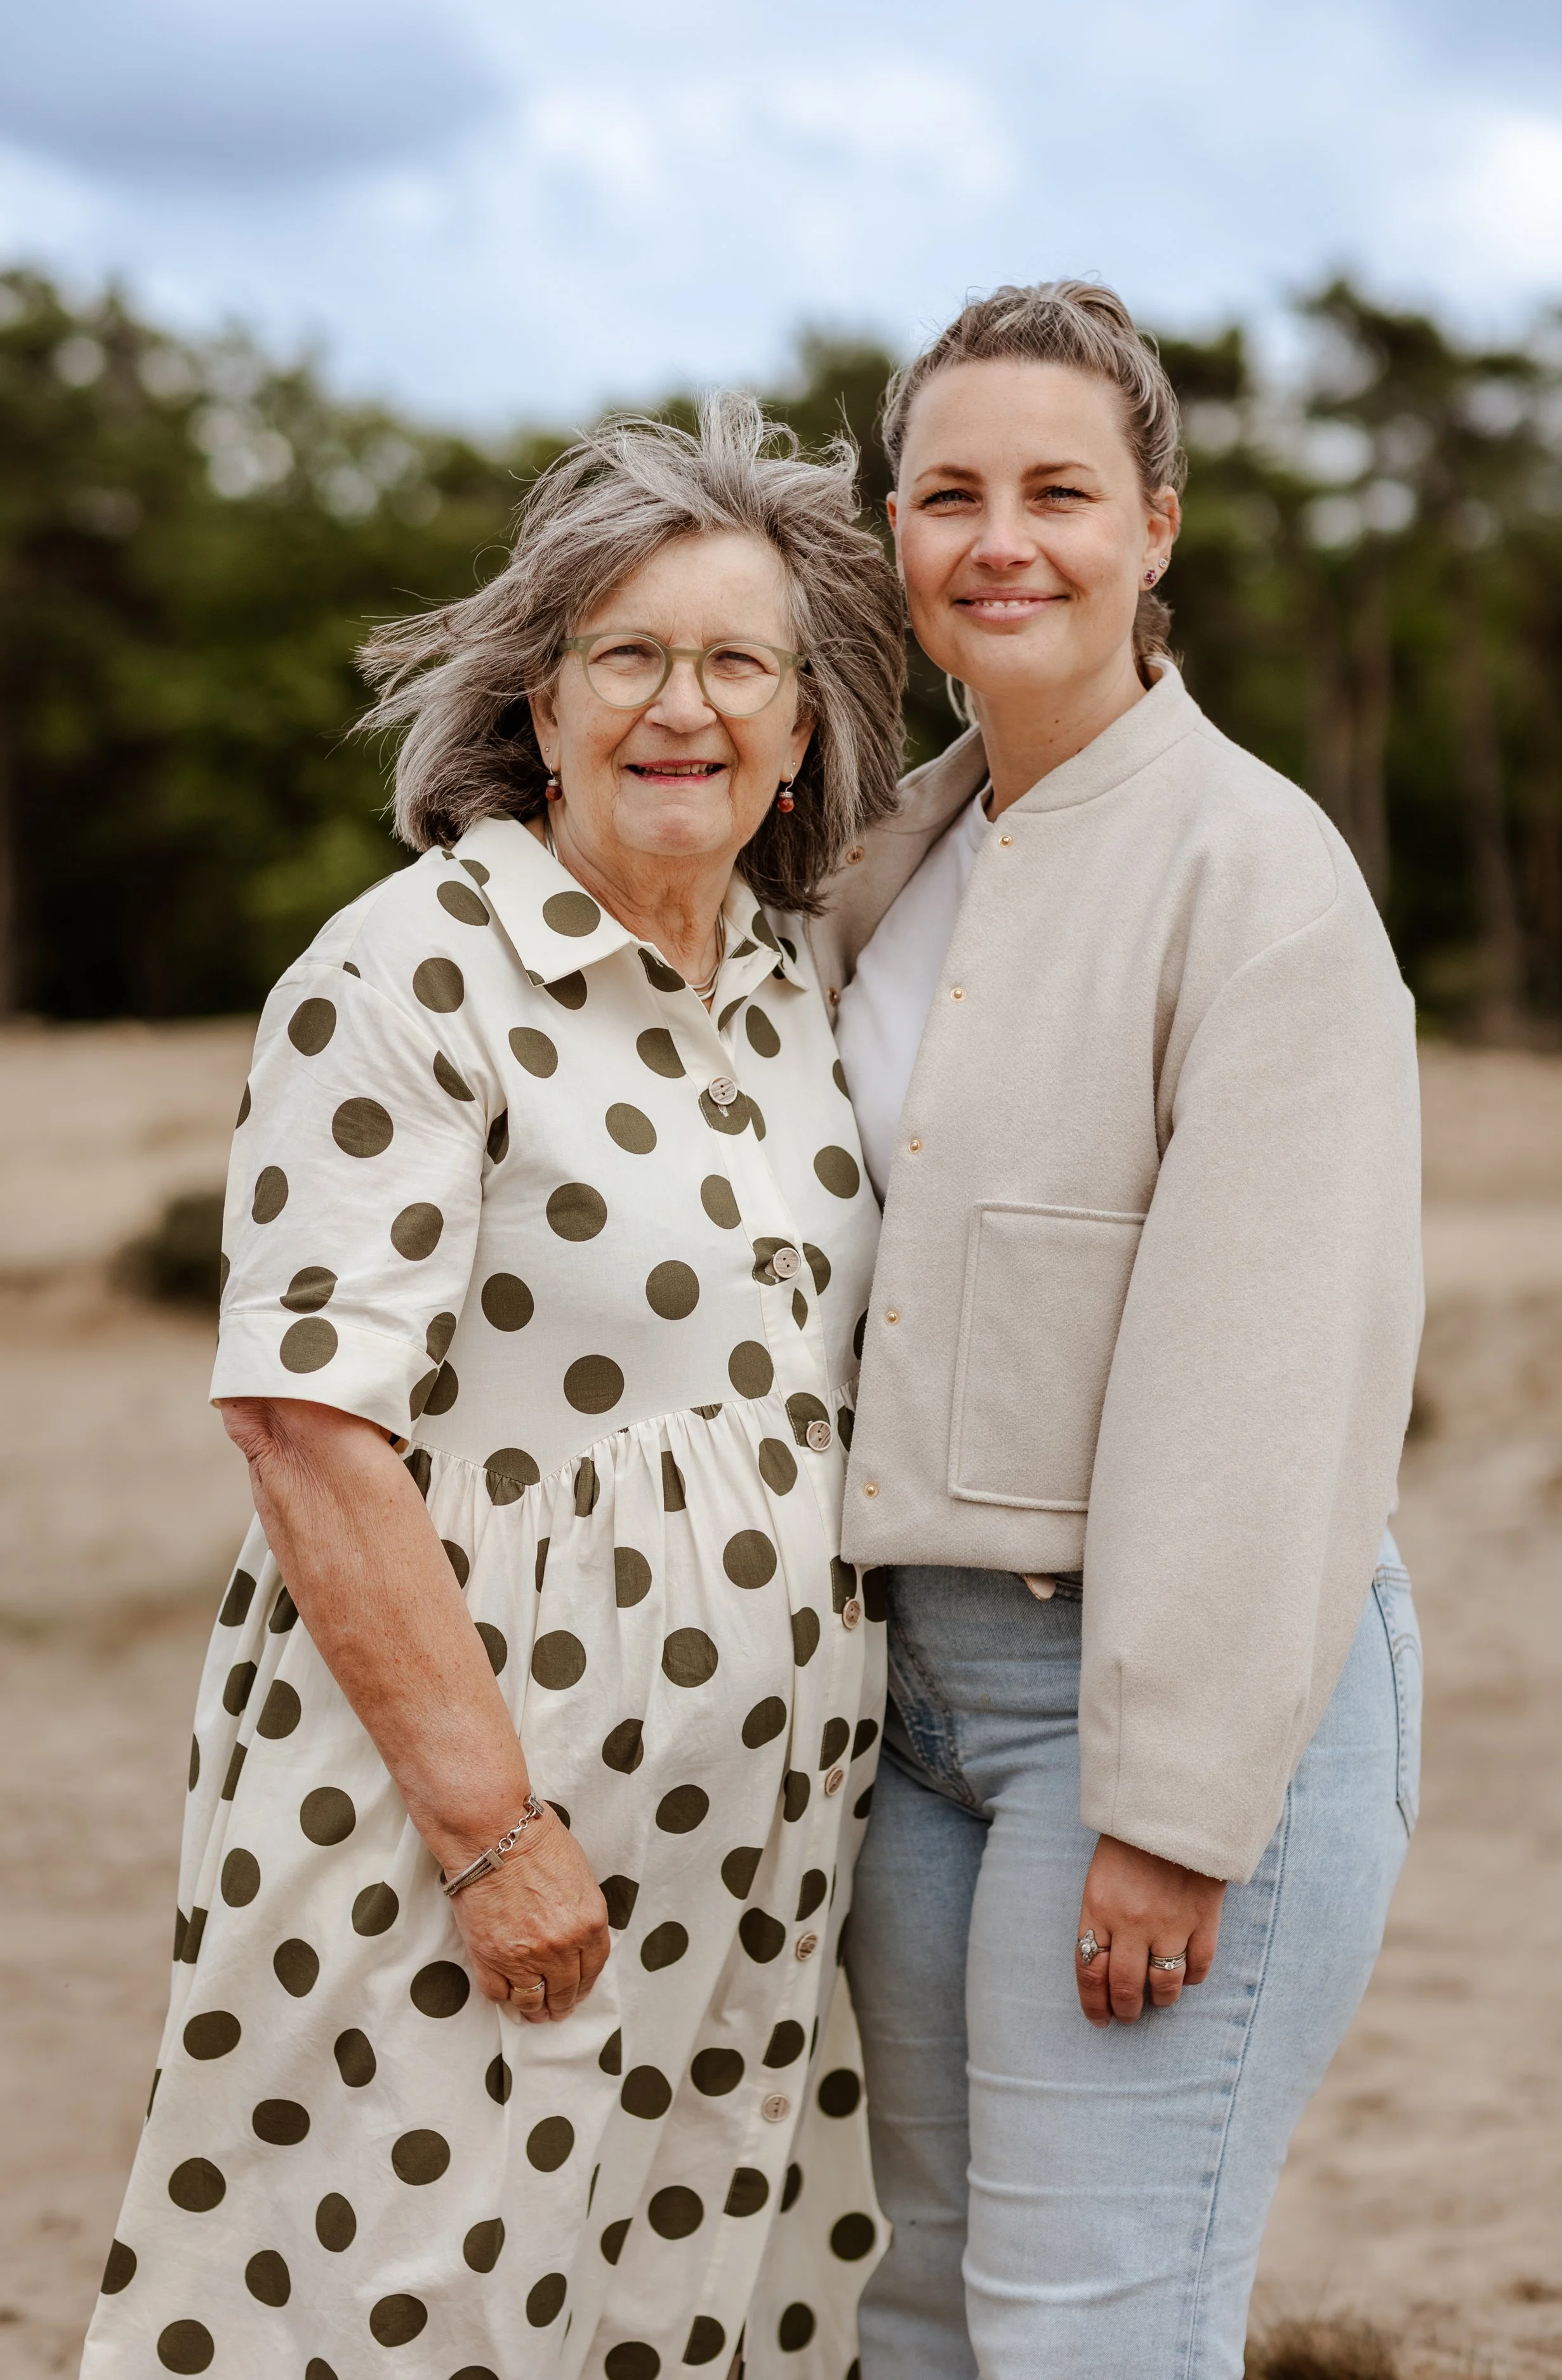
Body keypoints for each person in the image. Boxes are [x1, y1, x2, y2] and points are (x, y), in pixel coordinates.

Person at [81, 397, 906, 2380]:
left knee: (663, 2309)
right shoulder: (403, 976)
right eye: (628, 653)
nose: (681, 705)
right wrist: (490, 1831)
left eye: (736, 663)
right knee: (403, 2304)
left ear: (802, 731)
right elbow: (302, 1415)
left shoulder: (800, 982)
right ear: (537, 705)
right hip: (467, 1829)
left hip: (760, 1851)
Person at [812, 283, 1425, 2380]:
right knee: (904, 2310)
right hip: (910, 1716)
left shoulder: (1256, 874)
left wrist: (1173, 1800)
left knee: (1089, 2329)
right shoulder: (887, 849)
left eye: (1059, 491)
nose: (1003, 539)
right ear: (890, 528)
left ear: (1154, 526)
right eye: (948, 491)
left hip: (1155, 1701)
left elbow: (1267, 1367)